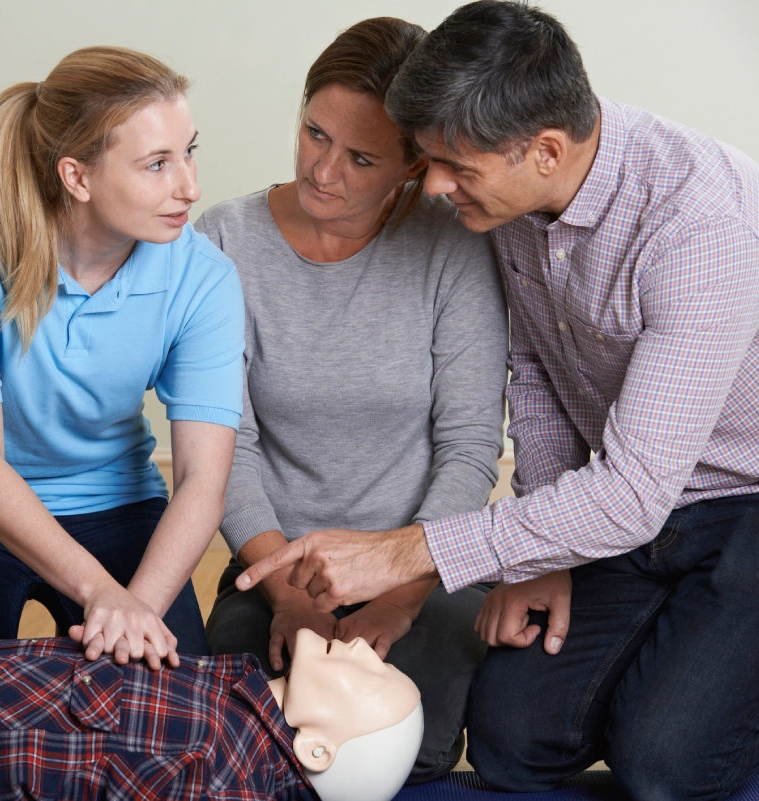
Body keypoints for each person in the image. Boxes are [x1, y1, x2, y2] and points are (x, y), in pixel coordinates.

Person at [237, 1, 759, 798]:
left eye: (456, 167)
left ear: (546, 150)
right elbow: (543, 367)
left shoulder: (704, 229)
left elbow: (627, 490)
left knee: (664, 766)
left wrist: (404, 552)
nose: (437, 188)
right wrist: (540, 548)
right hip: (648, 503)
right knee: (514, 745)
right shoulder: (518, 196)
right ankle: (706, 652)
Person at [196, 16, 507, 782]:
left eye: (361, 156)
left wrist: (400, 595)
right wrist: (286, 595)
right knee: (257, 749)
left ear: (412, 167)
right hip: (279, 567)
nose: (323, 170)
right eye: (313, 133)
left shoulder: (454, 245)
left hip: (419, 567)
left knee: (411, 754)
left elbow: (469, 446)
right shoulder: (223, 240)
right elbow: (225, 441)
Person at [0, 47, 243, 667]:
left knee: (172, 715)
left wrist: (138, 605)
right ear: (76, 177)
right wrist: (101, 593)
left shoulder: (204, 275)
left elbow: (202, 479)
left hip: (115, 500)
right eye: (157, 164)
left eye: (189, 151)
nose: (190, 186)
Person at [0, 629, 423, 801]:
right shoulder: (236, 694)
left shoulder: (223, 776)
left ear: (316, 750)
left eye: (371, 676)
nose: (366, 650)